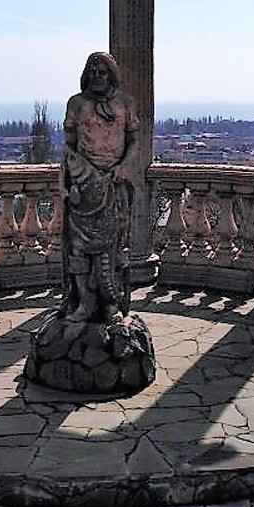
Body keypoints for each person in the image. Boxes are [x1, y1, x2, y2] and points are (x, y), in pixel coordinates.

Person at [61, 52, 140, 323]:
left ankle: (112, 302)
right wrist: (69, 181)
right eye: (92, 71)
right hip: (83, 184)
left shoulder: (125, 103)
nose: (96, 76)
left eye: (102, 72)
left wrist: (123, 167)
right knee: (78, 247)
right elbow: (68, 145)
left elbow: (133, 142)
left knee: (116, 245)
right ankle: (84, 302)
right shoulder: (76, 104)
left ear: (111, 74)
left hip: (114, 184)